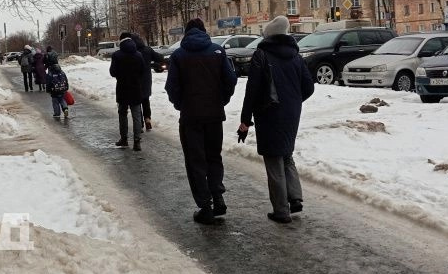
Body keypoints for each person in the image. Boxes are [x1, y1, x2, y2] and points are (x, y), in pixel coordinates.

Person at [238, 16, 315, 224]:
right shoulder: (296, 56)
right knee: (287, 154)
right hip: (291, 113)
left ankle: (281, 210)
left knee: (273, 160)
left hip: (269, 113)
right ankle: (295, 197)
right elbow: (309, 87)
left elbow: (252, 90)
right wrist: (294, 101)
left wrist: (245, 120)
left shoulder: (261, 55)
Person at [165, 18, 237, 225]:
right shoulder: (217, 51)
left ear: (186, 33)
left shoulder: (179, 55)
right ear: (204, 31)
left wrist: (181, 105)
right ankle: (218, 198)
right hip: (215, 115)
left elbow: (172, 87)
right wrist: (221, 100)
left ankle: (205, 207)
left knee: (195, 161)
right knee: (214, 157)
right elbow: (230, 80)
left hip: (190, 117)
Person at [109, 34, 146, 151]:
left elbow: (113, 72)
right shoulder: (138, 55)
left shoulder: (116, 55)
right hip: (136, 88)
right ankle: (137, 142)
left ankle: (124, 139)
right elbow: (143, 70)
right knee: (136, 115)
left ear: (121, 41)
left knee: (122, 114)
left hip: (122, 88)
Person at [130, 34, 165, 131]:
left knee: (137, 102)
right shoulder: (148, 50)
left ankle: (139, 124)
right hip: (146, 79)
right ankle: (147, 119)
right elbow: (159, 58)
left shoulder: (132, 52)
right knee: (145, 100)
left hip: (135, 80)